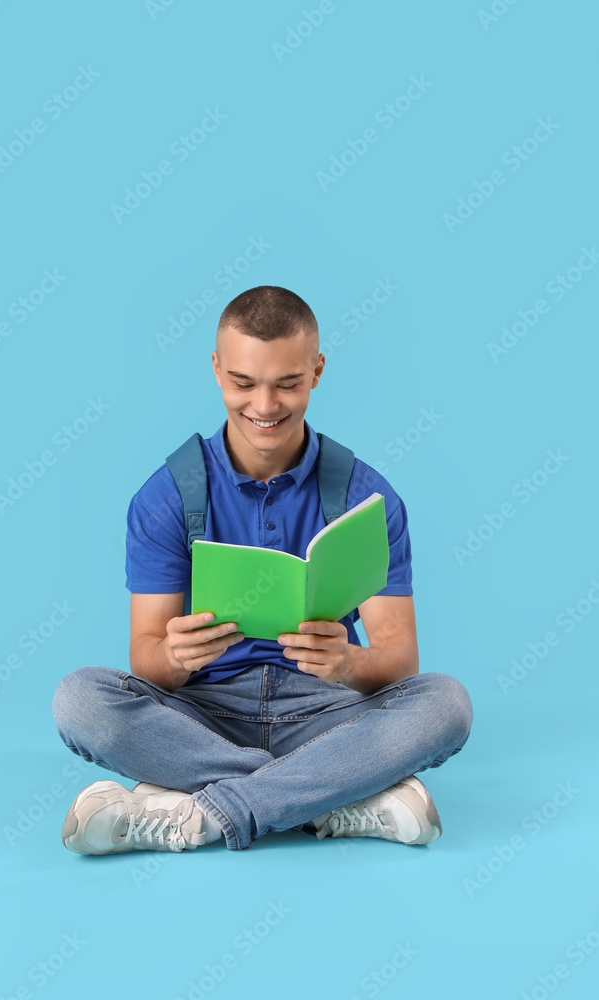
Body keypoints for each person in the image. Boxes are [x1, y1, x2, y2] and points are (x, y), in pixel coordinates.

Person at [52, 285, 473, 856]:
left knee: (445, 704)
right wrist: (172, 658)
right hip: (203, 715)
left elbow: (400, 657)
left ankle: (202, 813)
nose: (265, 406)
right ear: (216, 369)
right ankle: (331, 794)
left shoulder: (365, 496)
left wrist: (350, 661)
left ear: (317, 370)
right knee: (79, 699)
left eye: (288, 383)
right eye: (243, 383)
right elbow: (145, 659)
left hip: (326, 712)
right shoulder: (168, 496)